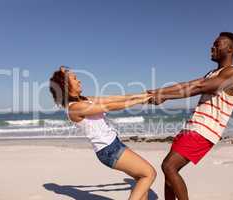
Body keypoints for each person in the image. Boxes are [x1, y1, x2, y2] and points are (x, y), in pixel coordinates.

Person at [148, 32, 233, 200]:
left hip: (204, 131)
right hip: (192, 127)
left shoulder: (232, 73)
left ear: (229, 48)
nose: (212, 47)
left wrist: (165, 95)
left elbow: (198, 88)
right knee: (169, 172)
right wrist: (158, 92)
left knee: (168, 167)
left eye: (217, 44)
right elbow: (190, 84)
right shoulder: (212, 73)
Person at [49, 66, 156, 200]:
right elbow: (109, 107)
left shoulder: (84, 100)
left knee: (141, 181)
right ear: (66, 86)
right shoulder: (76, 108)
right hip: (109, 150)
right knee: (149, 174)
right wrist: (141, 101)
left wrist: (144, 95)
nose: (79, 81)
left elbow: (112, 99)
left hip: (113, 146)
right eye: (75, 79)